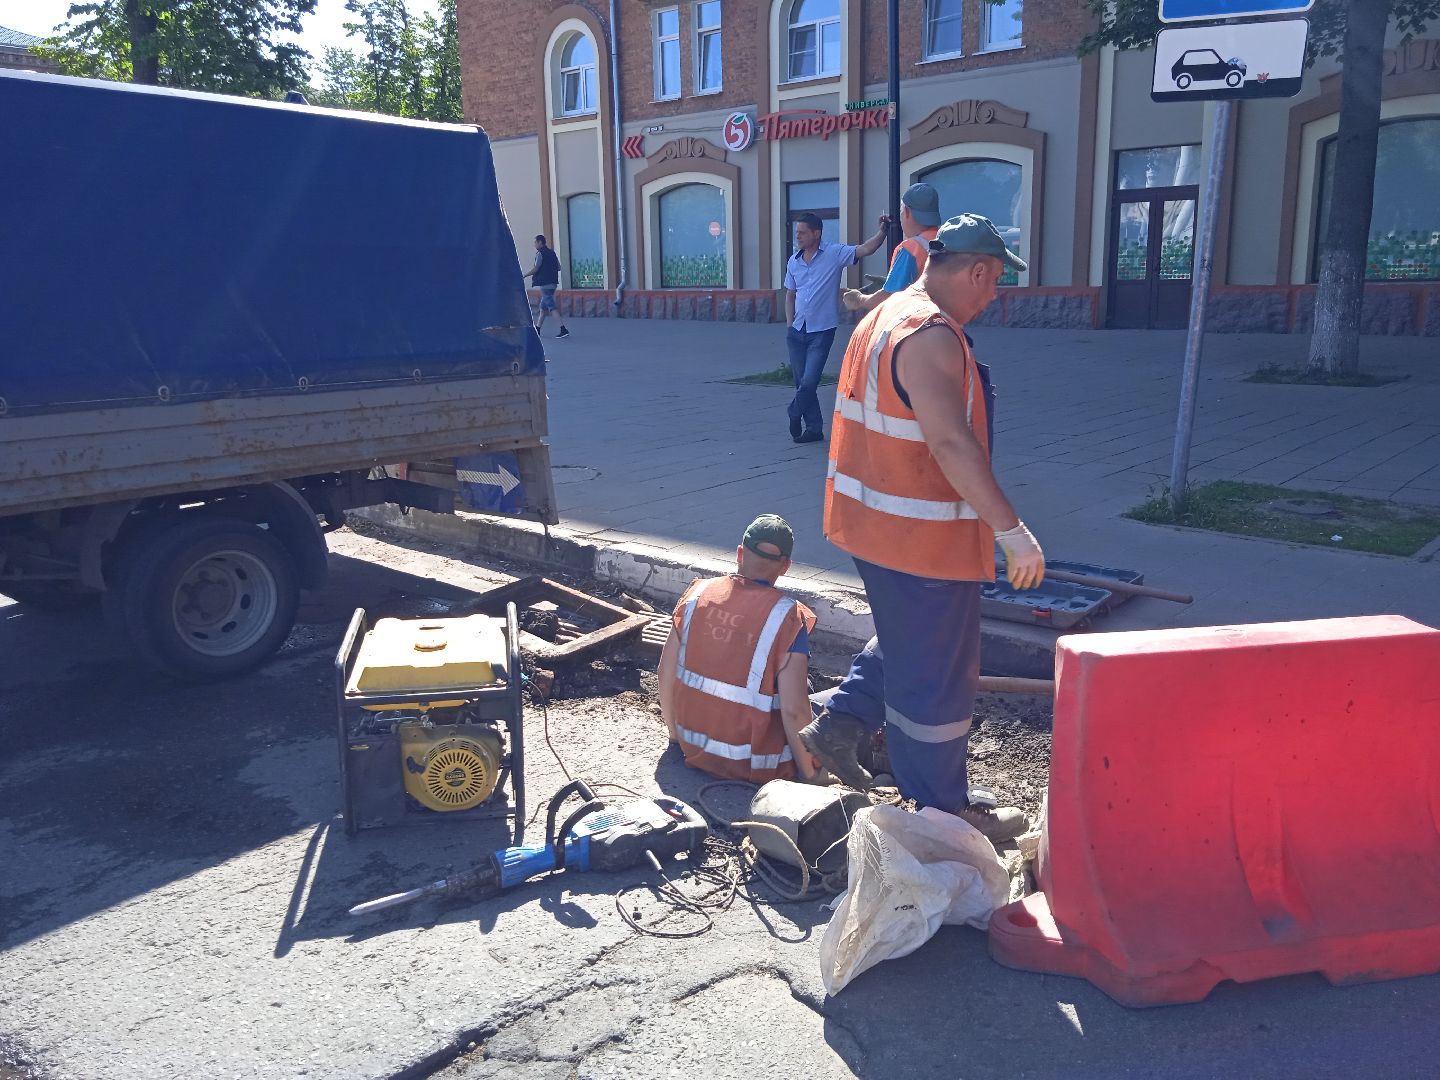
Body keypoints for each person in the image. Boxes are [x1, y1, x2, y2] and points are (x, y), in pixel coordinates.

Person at [799, 213, 1046, 842]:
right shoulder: (932, 336)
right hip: (920, 538)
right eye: (993, 286)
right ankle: (940, 808)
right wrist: (1011, 529)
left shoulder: (886, 312)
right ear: (978, 271)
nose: (992, 299)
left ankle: (842, 723)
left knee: (911, 639)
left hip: (873, 525)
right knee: (937, 675)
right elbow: (948, 441)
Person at [657, 515, 823, 784]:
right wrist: (811, 773)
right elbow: (794, 710)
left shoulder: (698, 595)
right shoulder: (788, 617)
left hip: (694, 747)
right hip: (755, 765)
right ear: (786, 567)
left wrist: (677, 737)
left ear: (740, 553)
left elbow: (665, 672)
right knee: (821, 700)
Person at [784, 212, 890, 445]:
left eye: (802, 232)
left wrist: (883, 231)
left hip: (821, 331)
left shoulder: (834, 253)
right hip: (797, 331)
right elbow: (790, 295)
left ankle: (794, 411)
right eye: (797, 232)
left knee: (810, 380)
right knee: (801, 381)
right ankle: (813, 429)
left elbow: (865, 249)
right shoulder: (794, 261)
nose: (797, 236)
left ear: (816, 233)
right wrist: (790, 325)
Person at [841, 183, 942, 316]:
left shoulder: (910, 249)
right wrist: (891, 280)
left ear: (906, 212)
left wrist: (859, 299)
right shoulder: (945, 241)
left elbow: (889, 296)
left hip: (919, 325)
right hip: (947, 324)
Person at [522, 234, 570, 339]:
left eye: (535, 242)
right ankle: (537, 329)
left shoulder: (540, 254)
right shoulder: (552, 253)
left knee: (552, 307)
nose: (534, 244)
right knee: (543, 308)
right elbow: (558, 267)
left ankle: (563, 329)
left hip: (545, 284)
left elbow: (536, 268)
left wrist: (525, 275)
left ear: (540, 242)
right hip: (553, 283)